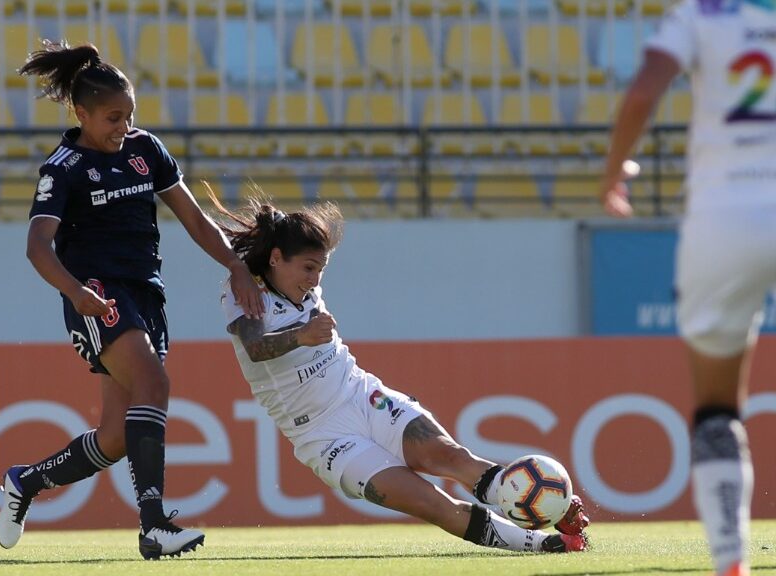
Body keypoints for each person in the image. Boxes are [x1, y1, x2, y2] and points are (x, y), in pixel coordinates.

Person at [0, 40, 265, 560]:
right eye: (113, 117)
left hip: (146, 294)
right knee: (154, 381)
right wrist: (77, 294)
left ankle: (24, 482)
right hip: (98, 296)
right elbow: (36, 247)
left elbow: (194, 220)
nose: (123, 126)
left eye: (129, 115)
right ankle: (155, 524)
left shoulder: (146, 151)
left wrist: (235, 265)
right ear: (82, 113)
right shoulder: (63, 168)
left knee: (116, 437)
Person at [213, 197, 590, 555]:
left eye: (321, 269)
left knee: (453, 456)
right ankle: (540, 544)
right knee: (432, 502)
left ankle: (550, 513)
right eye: (308, 268)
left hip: (361, 394)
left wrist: (551, 509)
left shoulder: (299, 282)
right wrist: (301, 336)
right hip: (322, 435)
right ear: (277, 258)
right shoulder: (243, 288)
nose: (314, 279)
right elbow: (254, 347)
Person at [599, 1, 776, 574]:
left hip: (724, 217)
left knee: (718, 409)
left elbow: (646, 91)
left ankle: (731, 559)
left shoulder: (701, 14)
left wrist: (614, 173)